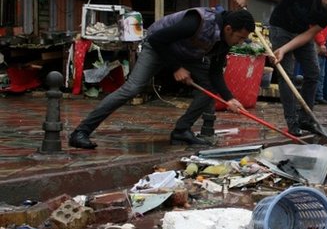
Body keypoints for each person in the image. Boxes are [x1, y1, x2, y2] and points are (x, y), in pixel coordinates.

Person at [68, 8, 255, 149]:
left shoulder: (225, 40)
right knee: (132, 89)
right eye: (239, 37)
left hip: (186, 53)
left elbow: (214, 73)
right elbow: (158, 39)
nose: (240, 42)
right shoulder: (198, 21)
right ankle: (81, 132)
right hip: (158, 47)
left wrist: (229, 98)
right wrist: (176, 68)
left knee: (208, 89)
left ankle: (182, 130)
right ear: (229, 28)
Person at [235, 0, 327, 136]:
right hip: (280, 28)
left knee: (313, 72)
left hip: (301, 33)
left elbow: (309, 35)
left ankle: (305, 119)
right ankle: (292, 121)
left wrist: (285, 49)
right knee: (286, 75)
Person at [314, 25, 327, 104]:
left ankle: (319, 96)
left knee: (321, 75)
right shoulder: (322, 17)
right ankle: (312, 97)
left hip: (322, 49)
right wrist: (321, 43)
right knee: (314, 74)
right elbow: (316, 30)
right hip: (318, 47)